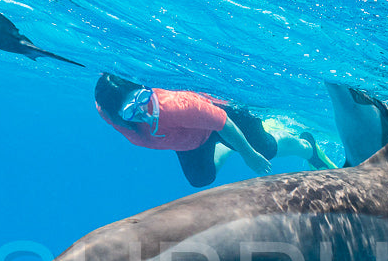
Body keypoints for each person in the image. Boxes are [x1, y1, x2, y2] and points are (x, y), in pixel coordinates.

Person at [94, 73, 336, 187]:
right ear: (117, 117)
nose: (144, 112)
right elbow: (103, 100)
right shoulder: (109, 114)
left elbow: (224, 124)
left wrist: (249, 154)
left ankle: (308, 147)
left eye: (142, 98)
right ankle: (227, 148)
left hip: (222, 121)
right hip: (190, 140)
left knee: (267, 150)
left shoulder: (176, 108)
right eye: (131, 112)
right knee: (201, 179)